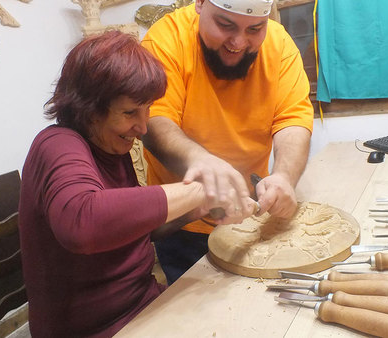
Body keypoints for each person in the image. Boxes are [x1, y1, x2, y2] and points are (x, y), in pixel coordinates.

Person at [18, 31, 256, 338]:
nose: (143, 128)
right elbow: (84, 223)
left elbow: (135, 233)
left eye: (147, 111)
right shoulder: (56, 145)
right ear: (87, 105)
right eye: (130, 112)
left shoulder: (110, 146)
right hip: (94, 329)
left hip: (142, 306)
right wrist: (204, 186)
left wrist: (198, 208)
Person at [141, 0, 314, 284]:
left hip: (252, 218)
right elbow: (155, 120)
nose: (238, 42)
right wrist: (202, 163)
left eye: (255, 29)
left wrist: (284, 176)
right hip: (183, 221)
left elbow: (292, 118)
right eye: (225, 25)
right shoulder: (166, 39)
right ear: (199, 4)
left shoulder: (279, 44)